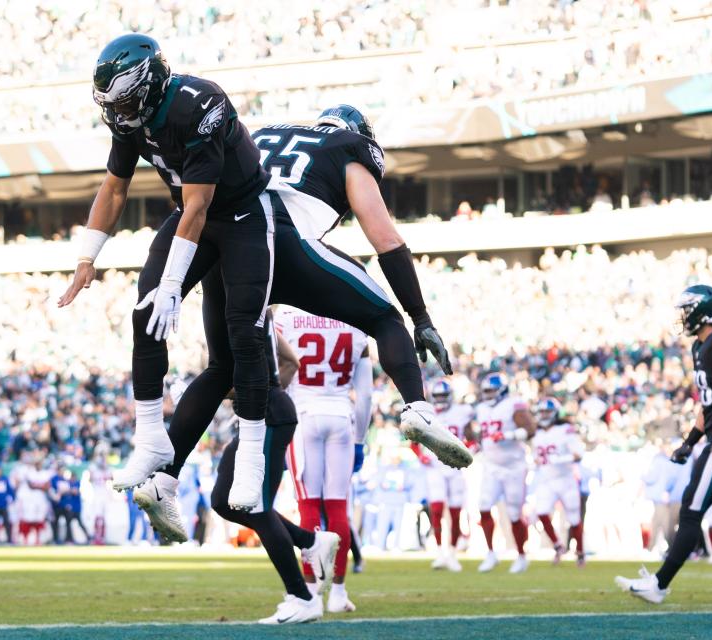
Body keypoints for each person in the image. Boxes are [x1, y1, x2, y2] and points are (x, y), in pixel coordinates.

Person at [132, 104, 470, 534]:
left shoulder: (267, 131)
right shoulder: (348, 148)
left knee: (222, 368)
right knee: (387, 318)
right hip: (285, 241)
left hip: (226, 245)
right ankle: (417, 409)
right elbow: (386, 240)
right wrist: (421, 315)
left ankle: (163, 480)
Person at [57, 33, 279, 512]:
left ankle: (252, 462)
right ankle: (152, 439)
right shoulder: (129, 116)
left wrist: (175, 284)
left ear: (151, 84)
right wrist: (86, 259)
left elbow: (200, 204)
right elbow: (115, 189)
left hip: (241, 215)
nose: (120, 113)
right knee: (144, 312)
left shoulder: (198, 104)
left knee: (244, 335)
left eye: (127, 100)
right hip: (193, 212)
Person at [136, 268, 339, 624]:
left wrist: (249, 393)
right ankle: (311, 542)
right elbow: (289, 361)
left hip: (270, 414)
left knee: (257, 507)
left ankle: (301, 596)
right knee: (223, 502)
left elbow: (228, 375)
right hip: (266, 411)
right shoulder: (258, 306)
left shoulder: (234, 308)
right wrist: (260, 390)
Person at [617, 285, 712, 603]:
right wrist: (689, 441)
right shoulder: (701, 347)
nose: (682, 317)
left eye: (686, 310)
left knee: (691, 512)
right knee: (691, 511)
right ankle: (659, 584)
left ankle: (659, 585)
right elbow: (709, 405)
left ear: (701, 311)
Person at [275, 306, 372, 614]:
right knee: (337, 508)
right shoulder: (355, 320)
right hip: (342, 416)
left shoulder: (286, 316)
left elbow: (273, 368)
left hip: (303, 415)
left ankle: (311, 593)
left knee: (309, 509)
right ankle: (339, 592)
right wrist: (359, 441)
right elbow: (366, 395)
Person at [475, 372, 536, 574]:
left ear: (501, 390)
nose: (488, 394)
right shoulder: (482, 408)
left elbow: (530, 429)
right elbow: (479, 434)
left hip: (514, 467)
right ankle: (491, 553)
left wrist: (508, 435)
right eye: (486, 391)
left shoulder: (513, 404)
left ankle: (521, 555)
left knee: (513, 513)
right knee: (483, 506)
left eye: (492, 390)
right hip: (491, 465)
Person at [424, 379, 474, 572]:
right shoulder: (425, 411)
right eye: (437, 396)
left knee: (455, 511)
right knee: (436, 509)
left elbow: (471, 437)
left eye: (443, 396)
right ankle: (439, 552)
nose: (440, 400)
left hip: (455, 467)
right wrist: (420, 455)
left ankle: (452, 553)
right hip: (435, 467)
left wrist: (465, 451)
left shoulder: (462, 412)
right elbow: (411, 436)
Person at [531, 397, 585, 566]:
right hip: (547, 480)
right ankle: (557, 545)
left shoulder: (565, 430)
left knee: (574, 519)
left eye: (547, 411)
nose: (544, 415)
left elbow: (578, 454)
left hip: (566, 479)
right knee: (541, 512)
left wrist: (561, 459)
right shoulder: (537, 433)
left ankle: (581, 552)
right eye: (541, 412)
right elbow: (536, 457)